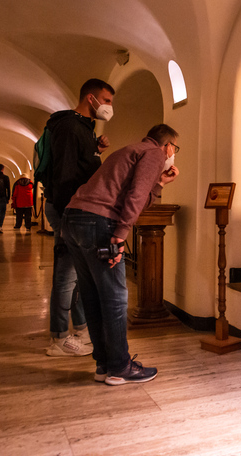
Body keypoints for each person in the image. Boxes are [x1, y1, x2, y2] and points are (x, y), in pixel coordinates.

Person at [62, 123, 179, 385]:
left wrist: (159, 183)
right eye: (174, 149)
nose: (172, 154)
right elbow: (136, 196)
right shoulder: (154, 153)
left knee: (92, 295)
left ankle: (104, 364)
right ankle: (119, 368)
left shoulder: (128, 150)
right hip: (99, 223)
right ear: (169, 145)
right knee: (115, 297)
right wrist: (122, 232)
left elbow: (131, 190)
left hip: (73, 219)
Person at [44, 78, 114, 357]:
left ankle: (80, 330)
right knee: (65, 276)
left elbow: (78, 164)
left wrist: (95, 149)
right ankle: (59, 338)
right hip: (69, 208)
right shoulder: (71, 127)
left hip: (75, 207)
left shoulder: (83, 128)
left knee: (79, 275)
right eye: (107, 100)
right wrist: (68, 216)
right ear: (91, 98)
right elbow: (65, 174)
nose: (109, 107)